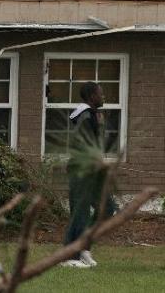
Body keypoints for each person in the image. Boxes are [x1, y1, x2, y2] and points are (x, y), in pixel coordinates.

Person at [62, 81, 118, 269]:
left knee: (107, 208)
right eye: (100, 94)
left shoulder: (94, 116)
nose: (103, 97)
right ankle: (70, 257)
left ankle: (84, 247)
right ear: (91, 96)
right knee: (80, 212)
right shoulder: (85, 116)